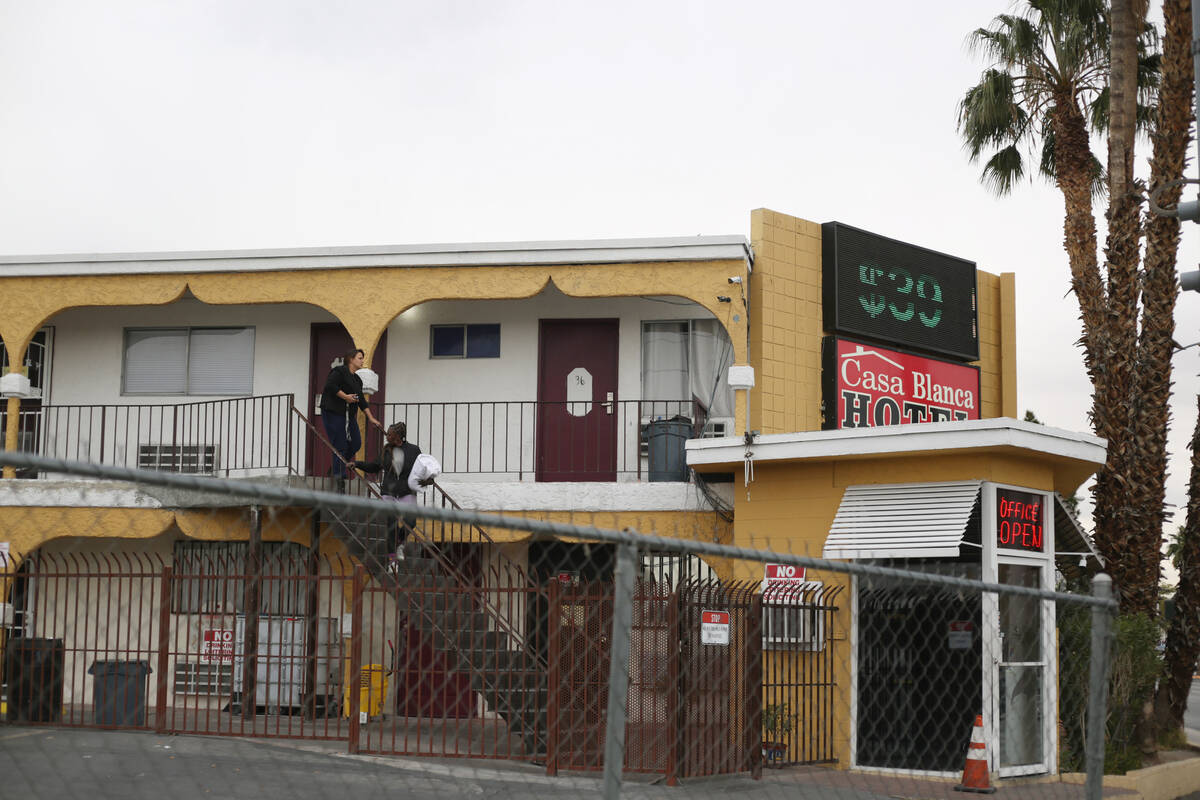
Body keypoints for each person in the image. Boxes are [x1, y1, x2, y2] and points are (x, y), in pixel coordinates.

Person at [352, 421, 432, 558]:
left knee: (411, 522)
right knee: (392, 525)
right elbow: (374, 466)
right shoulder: (386, 450)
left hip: (407, 491)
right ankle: (392, 560)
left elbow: (423, 468)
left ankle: (399, 542)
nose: (386, 436)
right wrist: (357, 464)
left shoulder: (414, 450)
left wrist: (429, 479)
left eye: (389, 434)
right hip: (389, 492)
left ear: (398, 436)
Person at [320, 347, 381, 485]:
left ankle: (337, 467)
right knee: (340, 444)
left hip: (347, 415)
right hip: (333, 411)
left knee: (355, 443)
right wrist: (345, 397)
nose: (362, 361)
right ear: (351, 359)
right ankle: (339, 475)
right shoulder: (339, 371)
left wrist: (371, 418)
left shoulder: (357, 379)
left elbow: (362, 400)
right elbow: (330, 385)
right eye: (360, 358)